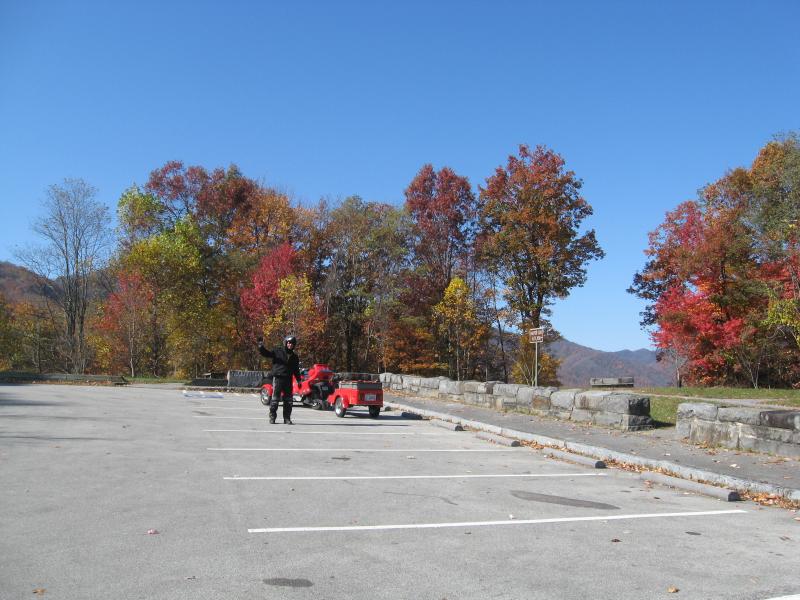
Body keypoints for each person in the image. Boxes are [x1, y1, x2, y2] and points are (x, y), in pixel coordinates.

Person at [257, 335, 302, 424]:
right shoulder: (278, 351)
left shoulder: (295, 357)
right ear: (285, 343)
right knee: (275, 399)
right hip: (278, 378)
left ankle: (287, 418)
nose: (290, 344)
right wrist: (261, 346)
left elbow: (296, 370)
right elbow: (267, 354)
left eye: (292, 343)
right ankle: (272, 417)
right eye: (288, 342)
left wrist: (299, 380)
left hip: (288, 380)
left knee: (288, 400)